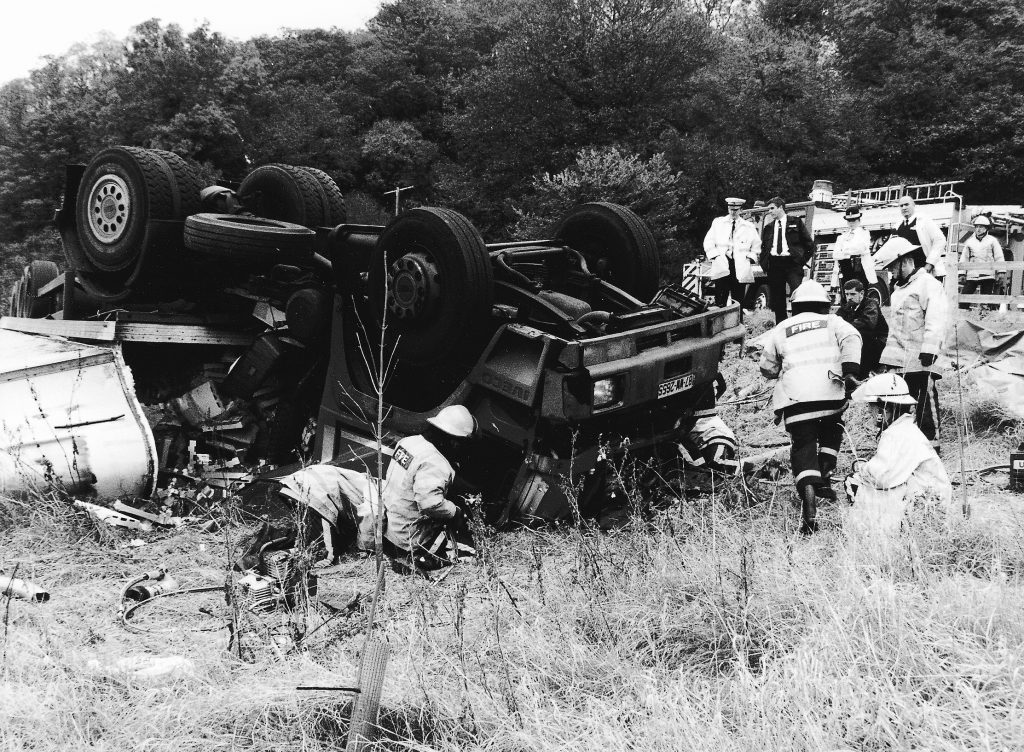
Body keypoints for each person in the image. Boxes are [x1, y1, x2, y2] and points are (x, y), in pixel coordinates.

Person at [759, 279, 862, 534]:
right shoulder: (833, 322)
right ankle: (824, 474)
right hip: (830, 395)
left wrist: (779, 369)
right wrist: (850, 370)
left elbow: (767, 367)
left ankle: (809, 503)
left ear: (795, 306)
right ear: (824, 304)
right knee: (832, 429)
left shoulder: (782, 328)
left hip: (796, 400)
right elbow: (852, 338)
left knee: (803, 445)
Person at [845, 373, 953, 532]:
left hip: (926, 506)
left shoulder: (897, 434)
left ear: (884, 409)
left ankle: (875, 534)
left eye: (871, 407)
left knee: (854, 482)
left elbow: (881, 477)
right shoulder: (904, 429)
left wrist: (861, 470)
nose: (869, 412)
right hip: (930, 501)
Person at [872, 236, 949, 450]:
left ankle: (932, 449)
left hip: (922, 360)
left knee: (926, 408)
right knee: (897, 409)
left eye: (892, 267)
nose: (890, 272)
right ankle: (900, 450)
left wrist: (930, 349)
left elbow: (937, 319)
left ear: (904, 261)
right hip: (899, 362)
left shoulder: (928, 285)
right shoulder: (898, 291)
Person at [381, 404, 478, 570]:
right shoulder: (435, 462)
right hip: (409, 539)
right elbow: (430, 504)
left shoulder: (409, 442)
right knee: (471, 553)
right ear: (454, 441)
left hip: (390, 526)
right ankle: (426, 559)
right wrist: (456, 512)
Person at [759, 196, 815, 323]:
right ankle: (781, 324)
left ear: (780, 208)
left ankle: (797, 322)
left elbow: (809, 245)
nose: (770, 211)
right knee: (777, 298)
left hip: (792, 264)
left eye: (772, 208)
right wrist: (765, 264)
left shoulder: (796, 222)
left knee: (797, 294)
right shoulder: (768, 227)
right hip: (774, 265)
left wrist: (801, 260)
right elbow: (764, 248)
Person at [703, 197, 759, 312]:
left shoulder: (748, 226)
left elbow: (756, 245)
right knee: (720, 300)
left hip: (739, 265)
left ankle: (738, 321)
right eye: (731, 209)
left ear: (740, 210)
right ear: (728, 209)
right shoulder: (718, 223)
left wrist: (750, 258)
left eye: (736, 210)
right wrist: (715, 256)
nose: (733, 212)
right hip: (722, 263)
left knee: (738, 301)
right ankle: (719, 321)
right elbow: (708, 241)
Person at [837, 279, 888, 374]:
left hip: (877, 342)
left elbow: (867, 323)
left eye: (853, 294)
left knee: (862, 336)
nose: (849, 297)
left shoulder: (871, 304)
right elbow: (837, 321)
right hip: (862, 341)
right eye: (847, 294)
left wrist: (845, 326)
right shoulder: (848, 306)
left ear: (861, 293)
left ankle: (863, 372)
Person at [958, 215, 1007, 310]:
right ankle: (963, 315)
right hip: (972, 274)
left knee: (985, 301)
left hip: (988, 275)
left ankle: (983, 316)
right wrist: (962, 273)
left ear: (986, 228)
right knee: (964, 298)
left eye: (981, 227)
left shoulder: (992, 241)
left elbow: (999, 257)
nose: (978, 229)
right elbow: (964, 258)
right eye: (976, 227)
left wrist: (1001, 272)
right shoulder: (969, 242)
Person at [830, 204, 876, 301]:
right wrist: (850, 252)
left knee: (860, 294)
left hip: (859, 267)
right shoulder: (842, 237)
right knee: (846, 294)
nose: (851, 223)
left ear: (859, 220)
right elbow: (835, 254)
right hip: (846, 268)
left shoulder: (864, 233)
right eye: (849, 221)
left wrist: (845, 251)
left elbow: (861, 249)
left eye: (854, 220)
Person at [896, 195, 947, 281]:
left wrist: (930, 263)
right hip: (908, 273)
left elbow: (940, 240)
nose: (904, 208)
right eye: (901, 206)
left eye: (906, 204)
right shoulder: (898, 225)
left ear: (913, 205)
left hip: (926, 270)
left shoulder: (924, 221)